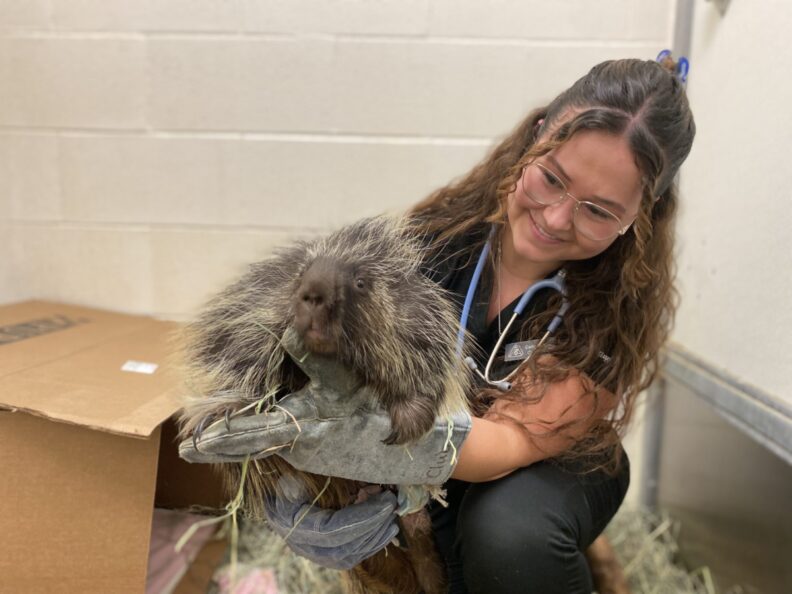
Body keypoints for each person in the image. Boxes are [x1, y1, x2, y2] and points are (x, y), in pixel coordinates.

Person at [180, 57, 695, 593]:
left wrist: (327, 443)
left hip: (543, 465)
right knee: (417, 554)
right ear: (536, 137)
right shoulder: (438, 239)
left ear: (642, 212)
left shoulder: (612, 310)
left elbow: (503, 446)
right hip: (434, 461)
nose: (557, 217)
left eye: (598, 210)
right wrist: (298, 475)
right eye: (551, 179)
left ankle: (570, 553)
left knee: (508, 537)